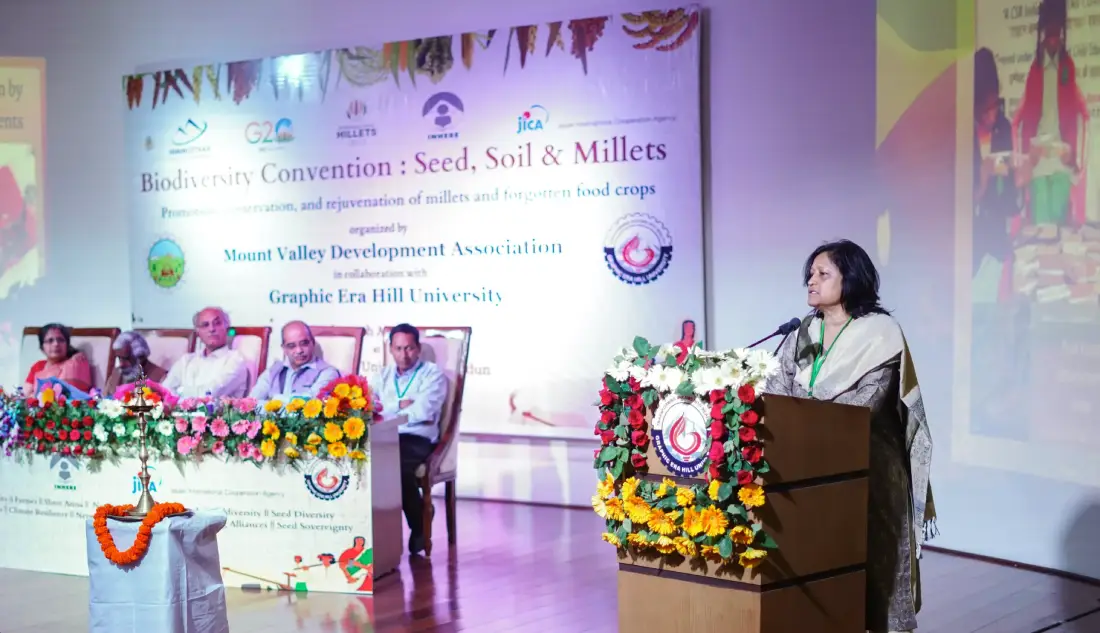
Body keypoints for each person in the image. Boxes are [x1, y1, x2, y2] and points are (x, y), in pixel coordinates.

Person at [766, 240, 936, 633]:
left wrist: (805, 418)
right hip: (803, 463)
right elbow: (777, 384)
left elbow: (868, 402)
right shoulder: (805, 331)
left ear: (851, 279)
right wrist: (793, 422)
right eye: (811, 273)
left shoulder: (880, 334)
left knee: (876, 563)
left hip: (869, 465)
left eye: (823, 274)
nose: (811, 281)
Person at [373, 323, 449, 556]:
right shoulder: (382, 375)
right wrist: (400, 404)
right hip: (385, 435)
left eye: (409, 348)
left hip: (417, 438)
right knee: (364, 464)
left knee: (395, 466)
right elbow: (369, 406)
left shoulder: (432, 374)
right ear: (390, 349)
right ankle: (375, 535)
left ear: (418, 349)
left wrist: (387, 409)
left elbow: (423, 412)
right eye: (398, 349)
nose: (404, 355)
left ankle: (418, 525)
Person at [1012, 0, 1089, 226]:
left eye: (1058, 33)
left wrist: (1076, 160)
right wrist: (1025, 159)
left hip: (1061, 160)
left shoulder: (1069, 68)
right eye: (1050, 33)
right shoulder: (1034, 70)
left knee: (1058, 227)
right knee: (1040, 226)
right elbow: (1017, 120)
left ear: (1062, 34)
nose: (1054, 39)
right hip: (1038, 161)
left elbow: (1085, 116)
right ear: (1043, 34)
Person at [163, 307, 249, 398]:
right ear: (198, 332)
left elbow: (208, 394)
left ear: (227, 328)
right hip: (176, 408)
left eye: (217, 323)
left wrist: (179, 390)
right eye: (205, 325)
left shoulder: (236, 360)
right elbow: (164, 390)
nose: (211, 329)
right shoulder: (186, 360)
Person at [251, 321, 340, 401]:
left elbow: (310, 403)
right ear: (284, 349)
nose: (299, 350)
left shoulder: (327, 373)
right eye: (291, 346)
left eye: (304, 344)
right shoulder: (273, 371)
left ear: (312, 343)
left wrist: (273, 401)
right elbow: (251, 403)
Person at [23, 323, 92, 394]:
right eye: (50, 340)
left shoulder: (75, 364)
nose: (56, 344)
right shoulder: (38, 366)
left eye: (61, 340)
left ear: (67, 345)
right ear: (42, 348)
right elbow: (25, 394)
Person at [104, 331, 167, 395]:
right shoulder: (116, 374)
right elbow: (103, 398)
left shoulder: (160, 378)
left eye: (126, 359)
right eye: (119, 358)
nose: (121, 364)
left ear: (141, 357)